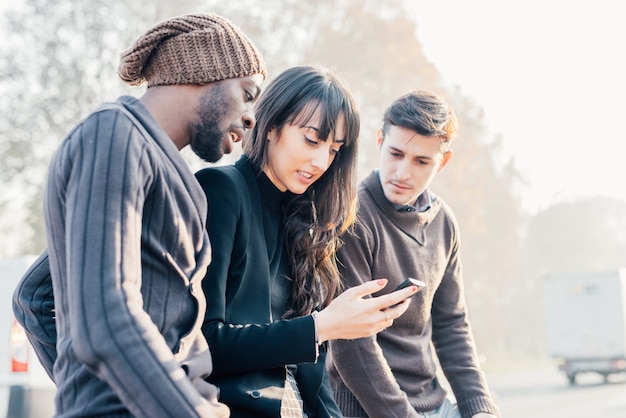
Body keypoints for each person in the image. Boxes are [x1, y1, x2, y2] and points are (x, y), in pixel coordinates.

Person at [11, 13, 267, 418]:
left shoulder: (171, 174)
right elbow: (107, 321)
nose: (251, 118)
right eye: (247, 92)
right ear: (204, 69)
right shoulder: (114, 135)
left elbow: (35, 297)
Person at [194, 66, 418, 418]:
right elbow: (204, 343)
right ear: (270, 127)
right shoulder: (221, 190)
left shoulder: (304, 222)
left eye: (333, 150)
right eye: (312, 140)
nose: (320, 162)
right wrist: (321, 326)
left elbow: (313, 384)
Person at [326, 90, 501, 418]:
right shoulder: (351, 216)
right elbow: (352, 346)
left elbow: (452, 324)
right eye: (395, 153)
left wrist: (479, 407)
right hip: (367, 409)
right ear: (379, 141)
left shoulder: (444, 222)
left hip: (433, 402)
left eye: (422, 161)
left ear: (443, 162)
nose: (403, 172)